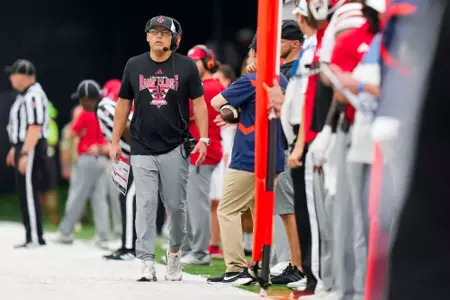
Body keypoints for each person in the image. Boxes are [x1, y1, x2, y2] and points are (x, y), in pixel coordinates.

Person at [110, 15, 209, 282]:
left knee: (176, 207)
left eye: (165, 33)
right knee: (145, 204)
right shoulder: (134, 65)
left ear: (174, 39)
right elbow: (122, 105)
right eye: (154, 32)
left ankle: (174, 252)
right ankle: (146, 261)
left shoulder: (187, 66)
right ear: (146, 36)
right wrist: (115, 140)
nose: (158, 36)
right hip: (141, 146)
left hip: (175, 146)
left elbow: (199, 104)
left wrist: (204, 138)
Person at [207, 34, 288, 286]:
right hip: (274, 154)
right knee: (261, 212)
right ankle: (262, 265)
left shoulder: (251, 80)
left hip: (249, 154)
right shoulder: (282, 79)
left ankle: (236, 268)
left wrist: (234, 110)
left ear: (254, 54)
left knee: (227, 209)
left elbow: (216, 101)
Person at [53, 80, 111, 249]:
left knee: (77, 195)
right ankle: (103, 237)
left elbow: (72, 133)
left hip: (86, 159)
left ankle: (65, 232)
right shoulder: (106, 111)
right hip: (102, 159)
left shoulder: (86, 113)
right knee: (100, 199)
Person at [180, 45, 224, 266]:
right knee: (191, 203)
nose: (191, 65)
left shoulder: (207, 87)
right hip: (199, 150)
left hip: (203, 152)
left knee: (197, 205)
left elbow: (183, 114)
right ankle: (192, 248)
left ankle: (200, 252)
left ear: (207, 62)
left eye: (195, 61)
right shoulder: (205, 85)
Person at [5, 59, 49, 248]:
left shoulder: (33, 96)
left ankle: (35, 237)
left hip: (31, 146)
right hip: (23, 145)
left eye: (13, 74)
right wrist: (14, 147)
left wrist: (24, 152)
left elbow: (35, 126)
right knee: (24, 191)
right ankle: (31, 235)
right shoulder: (23, 96)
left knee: (30, 192)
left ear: (24, 76)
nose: (10, 78)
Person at [96, 80, 137, 261]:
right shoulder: (111, 104)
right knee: (126, 197)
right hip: (132, 156)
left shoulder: (105, 105)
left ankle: (129, 247)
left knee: (128, 197)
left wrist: (137, 151)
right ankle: (127, 245)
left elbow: (127, 125)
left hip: (140, 155)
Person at [209, 64, 237, 258]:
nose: (216, 83)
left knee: (227, 203)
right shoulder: (219, 102)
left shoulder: (235, 101)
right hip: (220, 155)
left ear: (228, 81)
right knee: (215, 201)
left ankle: (233, 246)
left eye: (220, 79)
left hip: (231, 156)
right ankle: (213, 243)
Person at [40, 100, 60, 225]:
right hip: (38, 158)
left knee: (50, 188)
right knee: (37, 187)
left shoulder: (50, 123)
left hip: (48, 157)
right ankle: (38, 215)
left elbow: (53, 141)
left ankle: (53, 216)